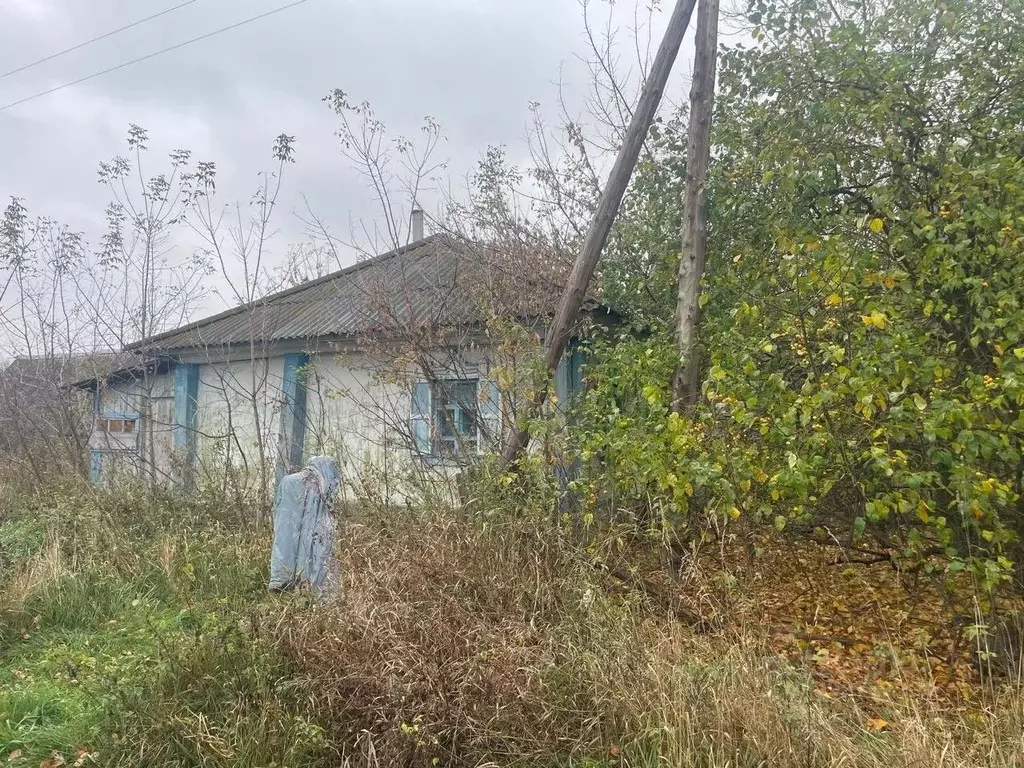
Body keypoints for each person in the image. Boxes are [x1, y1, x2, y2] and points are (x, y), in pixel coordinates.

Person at [269, 455, 342, 596]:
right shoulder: (294, 483)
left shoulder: (292, 483)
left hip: (305, 553)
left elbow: (283, 532)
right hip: (316, 552)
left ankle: (298, 588)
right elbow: (285, 528)